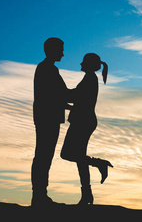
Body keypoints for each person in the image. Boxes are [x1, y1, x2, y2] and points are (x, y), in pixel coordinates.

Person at [60, 53, 113, 205]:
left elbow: (74, 97)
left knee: (67, 154)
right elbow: (79, 100)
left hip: (82, 122)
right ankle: (87, 195)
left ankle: (98, 164)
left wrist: (60, 90)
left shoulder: (89, 79)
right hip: (84, 120)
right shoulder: (89, 79)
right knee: (79, 158)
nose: (80, 64)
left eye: (83, 61)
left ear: (89, 64)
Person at [31, 37, 70, 206]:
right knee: (43, 156)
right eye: (60, 49)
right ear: (52, 50)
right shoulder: (47, 69)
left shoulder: (48, 69)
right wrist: (83, 95)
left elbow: (59, 96)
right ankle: (39, 196)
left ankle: (40, 195)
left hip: (47, 117)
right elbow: (60, 95)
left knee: (44, 155)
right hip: (47, 118)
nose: (62, 52)